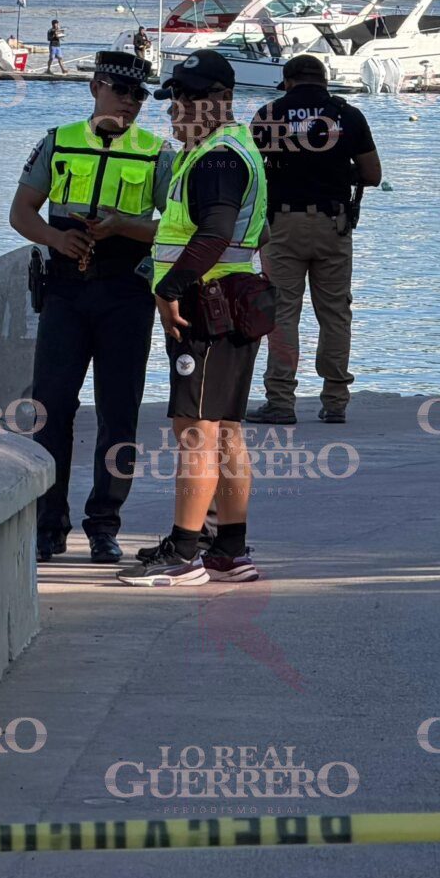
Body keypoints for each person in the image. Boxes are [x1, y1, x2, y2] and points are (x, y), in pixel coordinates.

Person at [10, 49, 172, 564]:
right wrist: (56, 240)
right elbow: (21, 213)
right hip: (66, 291)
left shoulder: (156, 152)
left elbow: (173, 227)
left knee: (119, 413)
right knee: (51, 408)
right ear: (95, 87)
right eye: (121, 91)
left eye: (139, 96)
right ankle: (48, 524)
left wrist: (126, 226)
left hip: (126, 293)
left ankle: (104, 524)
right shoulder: (57, 141)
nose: (130, 103)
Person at [122, 47, 271, 587]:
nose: (175, 110)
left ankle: (185, 553)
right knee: (225, 429)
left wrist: (170, 289)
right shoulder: (230, 148)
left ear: (222, 99)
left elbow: (214, 233)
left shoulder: (217, 159)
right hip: (232, 304)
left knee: (197, 431)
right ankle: (229, 549)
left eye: (187, 100)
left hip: (206, 309)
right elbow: (257, 232)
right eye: (174, 100)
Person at [251, 54, 382, 424]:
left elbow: (250, 171)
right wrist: (339, 170)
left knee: (282, 313)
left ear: (289, 82)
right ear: (324, 80)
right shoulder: (348, 115)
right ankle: (336, 402)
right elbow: (373, 175)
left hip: (281, 226)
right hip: (332, 225)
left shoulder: (269, 115)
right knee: (335, 313)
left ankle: (280, 401)